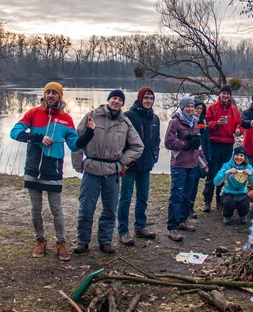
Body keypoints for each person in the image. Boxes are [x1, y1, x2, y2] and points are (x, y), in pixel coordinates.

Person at [10, 82, 96, 261]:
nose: (50, 95)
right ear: (44, 94)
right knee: (35, 208)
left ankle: (61, 242)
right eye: (48, 92)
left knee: (56, 209)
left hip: (53, 170)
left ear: (60, 96)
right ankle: (39, 240)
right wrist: (38, 137)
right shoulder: (33, 113)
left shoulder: (66, 119)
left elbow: (74, 145)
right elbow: (14, 132)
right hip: (33, 168)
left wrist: (88, 133)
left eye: (54, 93)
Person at [72, 89, 144, 254]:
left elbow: (138, 146)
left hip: (112, 171)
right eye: (114, 98)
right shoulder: (93, 116)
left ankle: (105, 241)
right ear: (108, 100)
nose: (116, 101)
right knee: (86, 208)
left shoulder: (125, 123)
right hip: (91, 169)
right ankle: (82, 241)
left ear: (122, 103)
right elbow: (77, 140)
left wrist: (122, 162)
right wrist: (78, 164)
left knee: (110, 209)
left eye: (120, 99)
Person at [117, 87, 161, 246]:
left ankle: (140, 226)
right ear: (140, 99)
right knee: (125, 198)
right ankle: (123, 231)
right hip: (130, 166)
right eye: (146, 98)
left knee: (143, 197)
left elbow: (156, 141)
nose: (149, 101)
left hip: (146, 166)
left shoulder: (155, 119)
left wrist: (154, 156)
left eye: (151, 98)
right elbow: (121, 139)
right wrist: (123, 161)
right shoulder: (129, 116)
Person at [164, 97, 208, 241]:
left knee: (187, 195)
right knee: (176, 195)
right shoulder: (175, 122)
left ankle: (183, 220)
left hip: (192, 164)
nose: (190, 109)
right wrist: (186, 144)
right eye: (187, 106)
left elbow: (198, 145)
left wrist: (204, 163)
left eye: (191, 106)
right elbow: (169, 143)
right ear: (182, 108)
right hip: (179, 164)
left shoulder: (194, 122)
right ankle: (172, 227)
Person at [203, 85, 243, 212]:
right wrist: (216, 124)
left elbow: (240, 126)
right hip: (214, 143)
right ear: (219, 94)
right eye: (223, 93)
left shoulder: (234, 110)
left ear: (230, 96)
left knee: (224, 173)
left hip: (227, 145)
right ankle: (207, 201)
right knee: (212, 173)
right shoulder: (211, 108)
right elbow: (205, 124)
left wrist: (238, 131)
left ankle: (219, 201)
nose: (225, 96)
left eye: (227, 94)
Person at [213, 145, 253, 225]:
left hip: (242, 193)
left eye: (241, 155)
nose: (239, 157)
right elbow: (216, 182)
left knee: (244, 205)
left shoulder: (248, 167)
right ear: (233, 156)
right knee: (229, 203)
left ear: (244, 157)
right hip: (228, 193)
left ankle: (243, 215)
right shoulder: (227, 166)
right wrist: (227, 173)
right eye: (237, 155)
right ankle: (227, 215)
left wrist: (251, 175)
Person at [189, 99, 211, 218]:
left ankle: (191, 207)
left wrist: (208, 156)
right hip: (190, 156)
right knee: (189, 182)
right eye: (197, 108)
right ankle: (185, 207)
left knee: (196, 182)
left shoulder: (204, 122)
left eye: (201, 109)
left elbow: (206, 140)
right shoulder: (189, 122)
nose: (198, 110)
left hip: (202, 156)